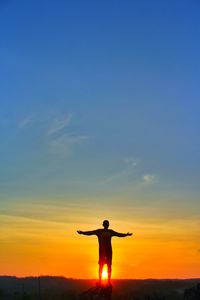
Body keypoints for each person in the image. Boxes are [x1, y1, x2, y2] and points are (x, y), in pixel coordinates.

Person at [77, 220, 132, 285]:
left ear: (108, 225)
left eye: (107, 224)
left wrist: (126, 234)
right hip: (102, 252)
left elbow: (118, 234)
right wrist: (83, 233)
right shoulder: (99, 231)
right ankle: (100, 281)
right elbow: (90, 233)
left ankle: (108, 281)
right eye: (105, 224)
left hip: (109, 251)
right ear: (103, 225)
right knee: (101, 266)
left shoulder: (110, 232)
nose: (106, 225)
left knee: (109, 266)